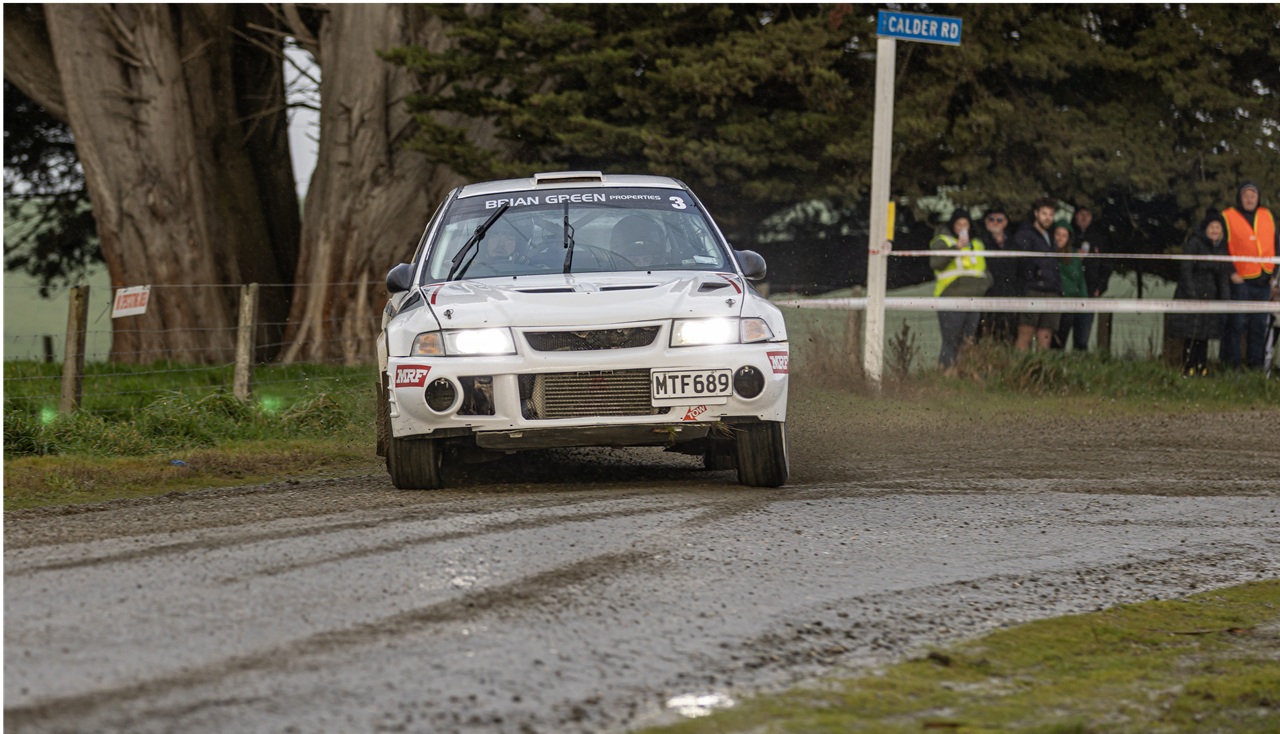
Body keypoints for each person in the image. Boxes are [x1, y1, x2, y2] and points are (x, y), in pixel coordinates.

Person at [1220, 181, 1277, 370]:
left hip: (1264, 279)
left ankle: (1256, 367)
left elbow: (1276, 244)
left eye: (1253, 195)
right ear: (1240, 198)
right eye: (1246, 195)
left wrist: (1274, 273)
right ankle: (1233, 366)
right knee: (1236, 324)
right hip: (1241, 280)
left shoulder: (1267, 215)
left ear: (1258, 198)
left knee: (1259, 326)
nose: (1250, 199)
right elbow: (1221, 247)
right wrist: (1231, 272)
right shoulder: (1228, 216)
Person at [1168, 209, 1233, 375]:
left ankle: (1202, 367)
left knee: (1205, 334)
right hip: (1192, 294)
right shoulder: (1195, 243)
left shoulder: (1222, 249)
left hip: (1210, 296)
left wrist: (1225, 300)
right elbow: (1186, 269)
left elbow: (1223, 276)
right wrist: (1191, 294)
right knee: (1192, 333)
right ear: (1205, 228)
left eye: (1218, 228)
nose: (1215, 231)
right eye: (1212, 227)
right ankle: (1188, 366)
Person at [929, 209, 991, 373]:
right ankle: (946, 375)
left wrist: (984, 285)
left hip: (974, 299)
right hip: (951, 297)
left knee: (968, 341)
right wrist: (956, 248)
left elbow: (984, 270)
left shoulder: (977, 244)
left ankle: (963, 377)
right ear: (953, 225)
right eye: (959, 224)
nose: (962, 227)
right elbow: (936, 263)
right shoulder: (943, 241)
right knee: (951, 341)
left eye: (965, 224)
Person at [1011, 198, 1061, 351]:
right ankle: (1020, 370)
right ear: (1036, 214)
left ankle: (1040, 370)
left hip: (1051, 290)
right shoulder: (1025, 234)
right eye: (1044, 213)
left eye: (1051, 214)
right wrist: (1035, 275)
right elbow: (1023, 263)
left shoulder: (1050, 238)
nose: (1047, 217)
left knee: (1045, 335)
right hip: (1032, 289)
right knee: (1026, 332)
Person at [1072, 205, 1114, 351]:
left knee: (1082, 337)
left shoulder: (1099, 239)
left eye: (1087, 214)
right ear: (1075, 216)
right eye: (1081, 214)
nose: (1084, 218)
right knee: (1060, 334)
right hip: (1068, 292)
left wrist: (1100, 287)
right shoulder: (1068, 236)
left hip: (1089, 293)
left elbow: (1107, 266)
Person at [976, 205, 1017, 343]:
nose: (995, 223)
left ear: (1005, 222)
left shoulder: (1014, 243)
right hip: (987, 295)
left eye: (999, 220)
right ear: (986, 222)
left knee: (1008, 337)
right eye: (991, 219)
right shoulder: (979, 243)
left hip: (1009, 295)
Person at [1051, 220, 1089, 351]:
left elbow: (1080, 280)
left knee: (1063, 337)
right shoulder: (1048, 253)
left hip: (1071, 303)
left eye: (1064, 235)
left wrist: (1084, 301)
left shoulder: (1073, 255)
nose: (1060, 238)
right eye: (1057, 234)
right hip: (1054, 300)